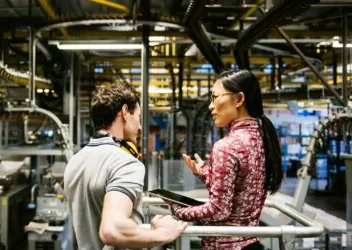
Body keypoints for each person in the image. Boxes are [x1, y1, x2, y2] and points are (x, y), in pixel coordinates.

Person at [168, 70, 283, 250]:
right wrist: (206, 173)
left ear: (238, 99)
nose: (210, 106)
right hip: (250, 244)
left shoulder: (226, 146)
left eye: (215, 97)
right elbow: (242, 189)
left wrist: (178, 210)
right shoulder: (261, 140)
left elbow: (219, 209)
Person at [64, 82, 187, 249]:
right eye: (138, 117)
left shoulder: (75, 161)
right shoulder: (124, 162)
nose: (140, 126)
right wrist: (161, 234)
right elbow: (112, 230)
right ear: (124, 112)